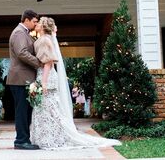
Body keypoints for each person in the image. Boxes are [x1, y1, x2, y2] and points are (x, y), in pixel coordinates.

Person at [30, 17, 120, 150]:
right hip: (42, 74)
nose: (36, 24)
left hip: (46, 76)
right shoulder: (41, 40)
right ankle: (47, 137)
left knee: (50, 108)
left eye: (39, 22)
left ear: (43, 26)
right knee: (44, 108)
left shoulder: (44, 40)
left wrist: (43, 82)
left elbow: (48, 62)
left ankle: (53, 138)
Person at [7, 9, 41, 150]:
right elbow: (22, 53)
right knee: (22, 111)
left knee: (26, 111)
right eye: (34, 21)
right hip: (20, 79)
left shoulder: (24, 33)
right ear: (26, 20)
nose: (36, 24)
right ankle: (21, 141)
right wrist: (39, 63)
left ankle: (24, 139)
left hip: (24, 79)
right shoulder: (19, 33)